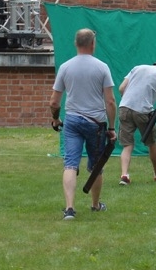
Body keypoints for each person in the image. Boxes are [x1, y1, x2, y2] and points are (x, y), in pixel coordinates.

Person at [50, 29, 117, 220]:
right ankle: (95, 205)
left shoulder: (65, 67)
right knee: (96, 165)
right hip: (96, 123)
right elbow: (110, 101)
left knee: (70, 163)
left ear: (76, 43)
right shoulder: (102, 67)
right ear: (92, 44)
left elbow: (54, 102)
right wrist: (112, 128)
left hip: (71, 121)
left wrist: (55, 119)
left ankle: (69, 208)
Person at [118, 55, 156, 185]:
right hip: (143, 112)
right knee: (152, 143)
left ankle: (124, 175)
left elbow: (121, 88)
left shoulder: (137, 68)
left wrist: (130, 101)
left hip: (124, 108)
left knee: (127, 145)